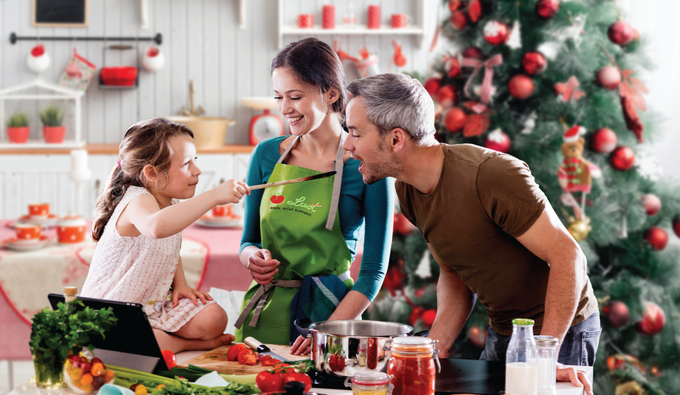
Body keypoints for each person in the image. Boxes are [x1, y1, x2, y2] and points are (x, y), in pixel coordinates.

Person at [342, 73, 598, 395]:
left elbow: (568, 257)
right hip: (505, 331)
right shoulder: (408, 190)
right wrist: (436, 346)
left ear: (395, 139)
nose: (347, 144)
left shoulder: (489, 175)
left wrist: (544, 359)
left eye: (354, 133)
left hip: (561, 332)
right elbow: (454, 273)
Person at [234, 38, 394, 353]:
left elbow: (373, 271)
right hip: (262, 318)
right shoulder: (266, 154)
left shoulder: (366, 164)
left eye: (295, 97)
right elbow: (247, 240)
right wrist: (251, 258)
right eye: (278, 97)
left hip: (331, 319)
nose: (284, 109)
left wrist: (326, 332)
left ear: (331, 93)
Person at [82, 117, 250, 353]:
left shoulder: (170, 205)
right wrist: (214, 196)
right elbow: (156, 228)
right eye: (186, 164)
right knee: (137, 341)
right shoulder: (137, 200)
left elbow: (168, 249)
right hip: (112, 312)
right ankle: (181, 344)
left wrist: (181, 284)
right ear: (152, 172)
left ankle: (162, 337)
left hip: (151, 304)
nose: (197, 170)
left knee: (214, 318)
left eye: (195, 160)